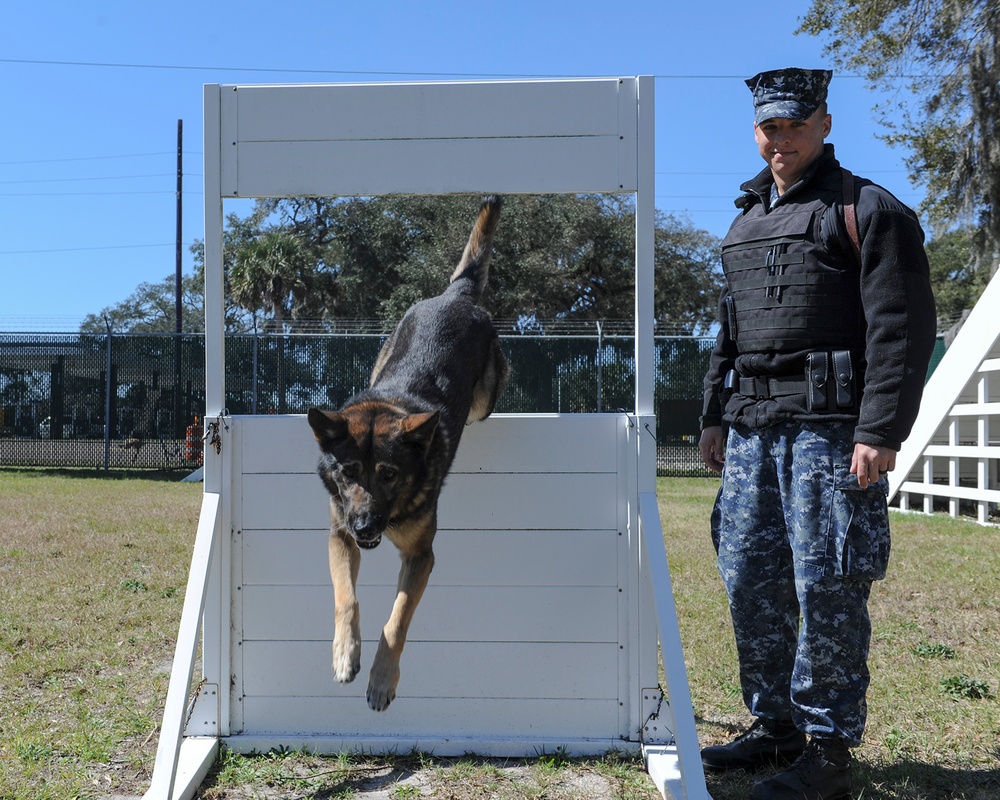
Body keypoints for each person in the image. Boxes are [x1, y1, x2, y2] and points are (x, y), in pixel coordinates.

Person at [698, 67, 936, 800]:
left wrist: (881, 429)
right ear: (756, 130)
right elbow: (730, 333)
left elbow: (901, 330)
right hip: (752, 435)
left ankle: (829, 750)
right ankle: (775, 728)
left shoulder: (868, 210)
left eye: (797, 124)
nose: (783, 138)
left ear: (825, 124)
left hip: (832, 437)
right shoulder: (744, 221)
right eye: (771, 126)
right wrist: (712, 415)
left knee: (829, 585)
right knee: (748, 582)